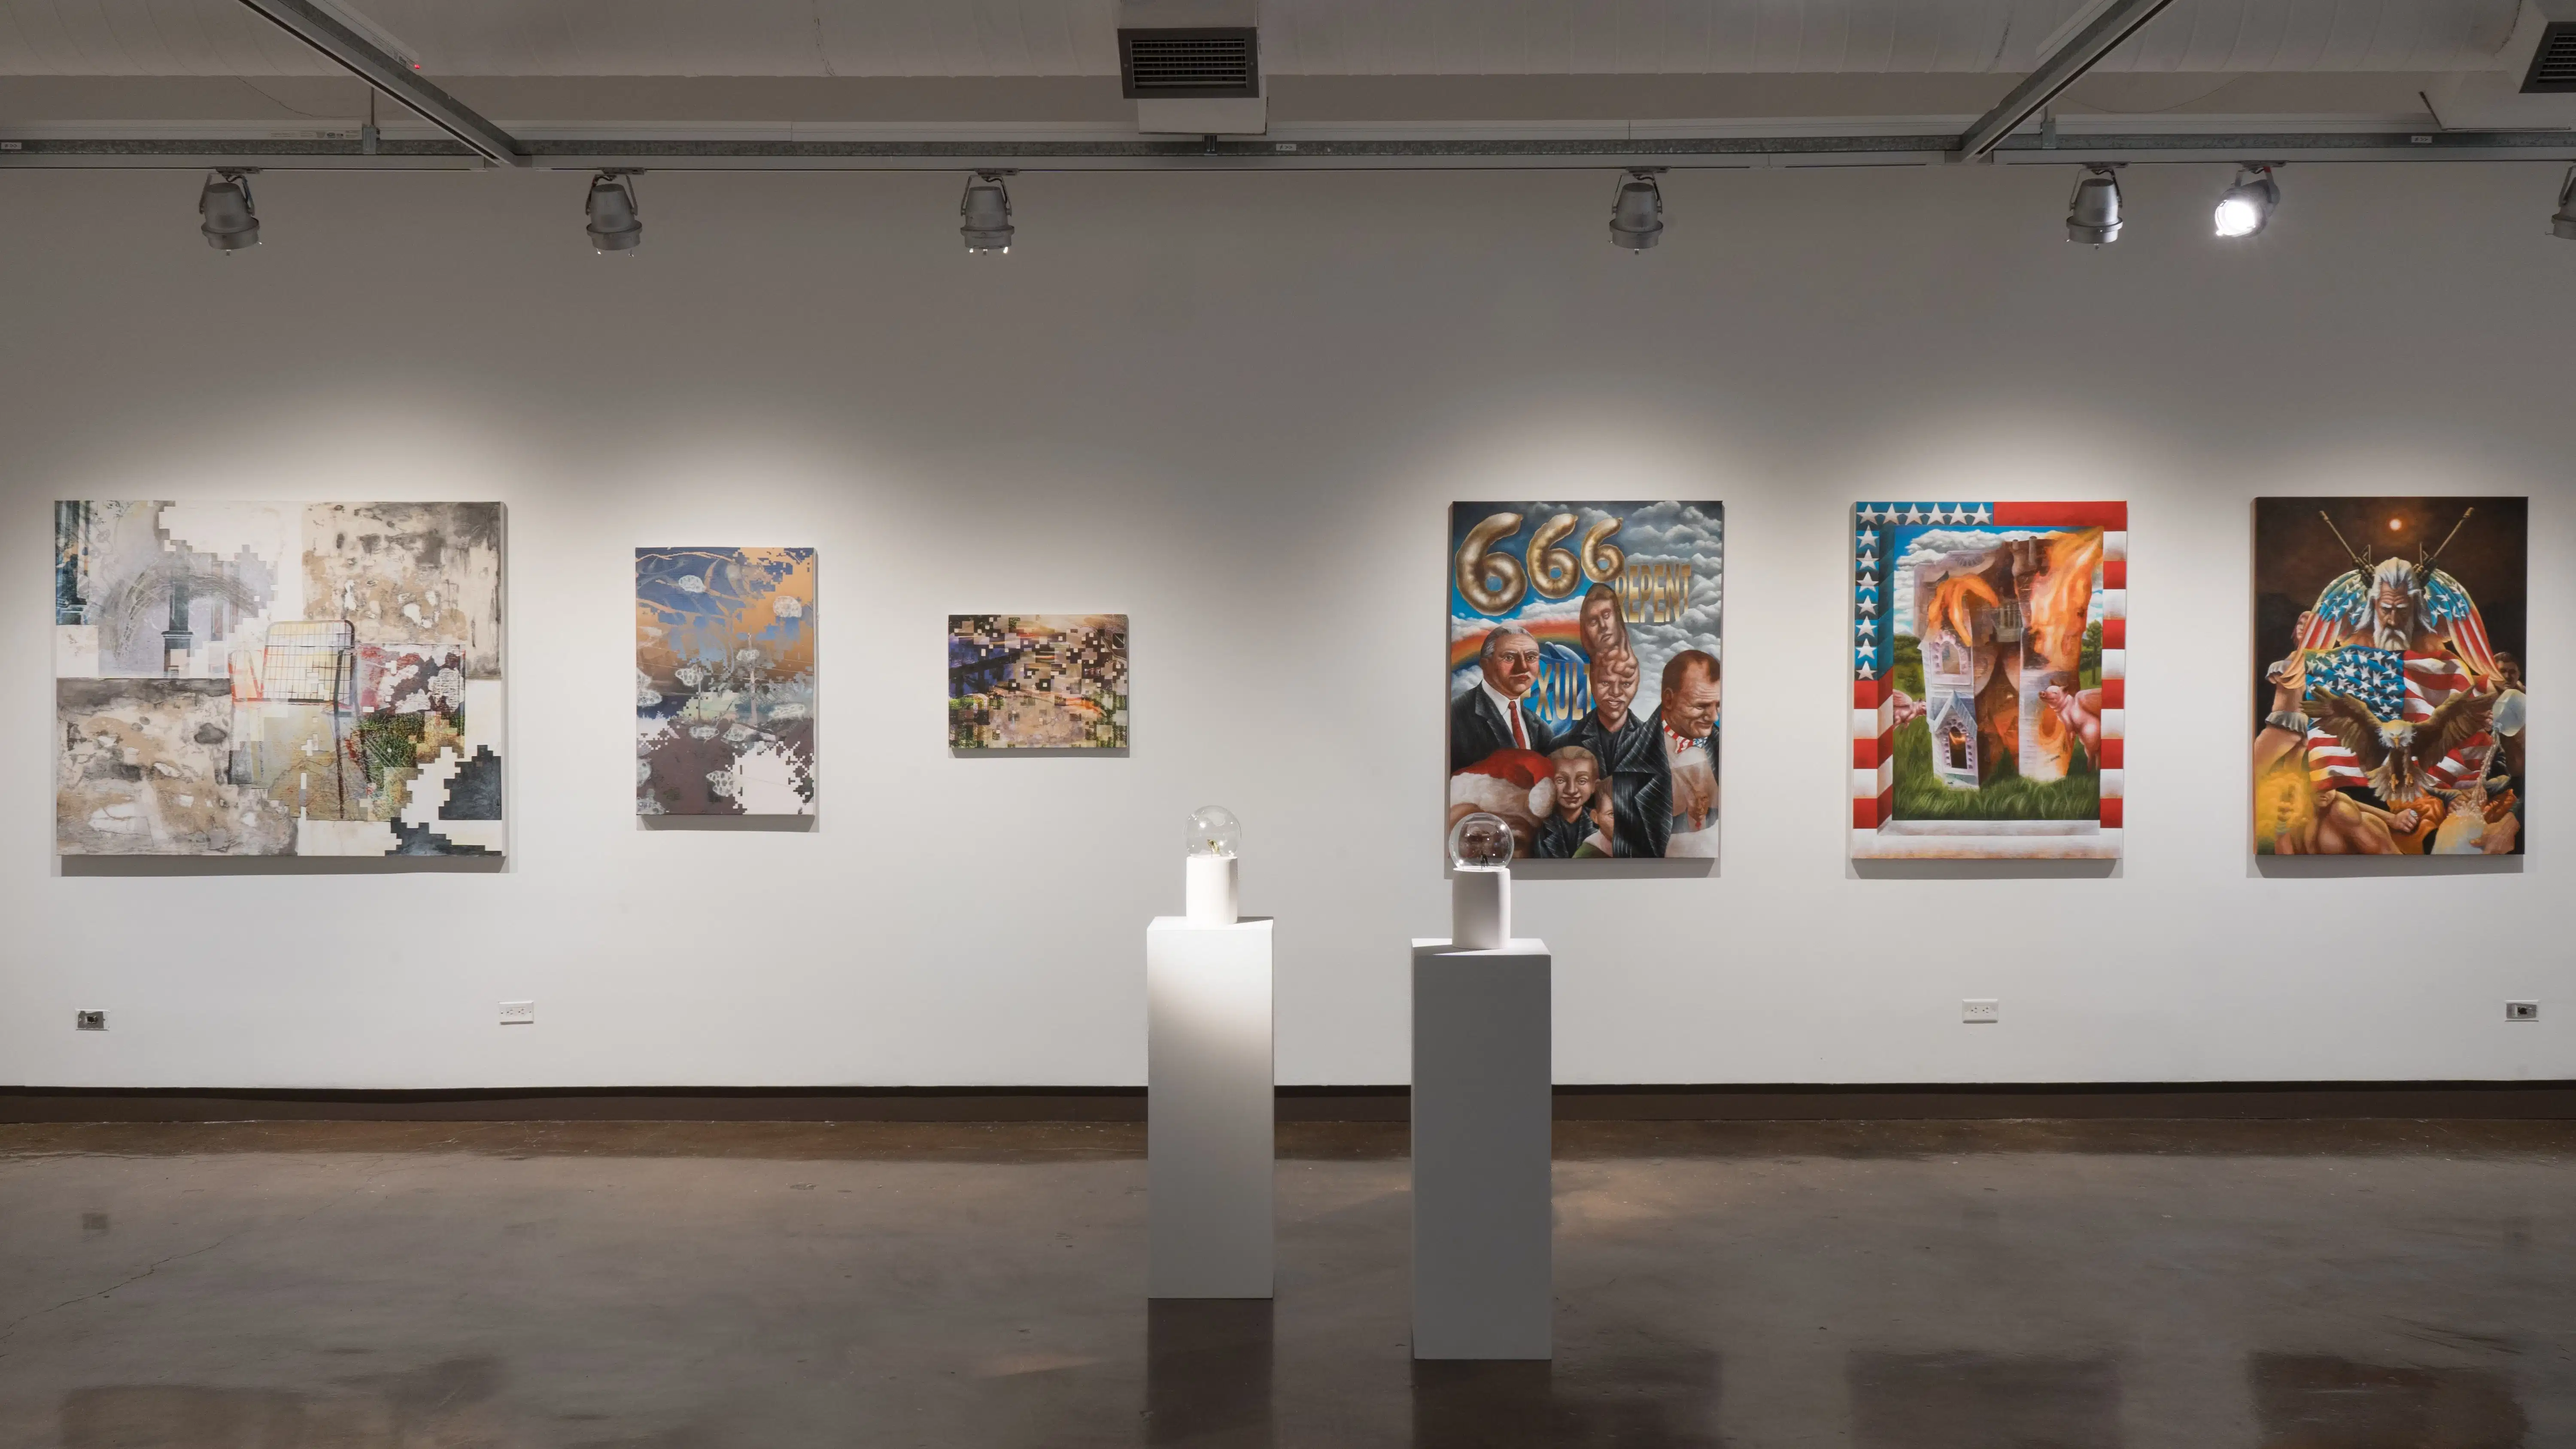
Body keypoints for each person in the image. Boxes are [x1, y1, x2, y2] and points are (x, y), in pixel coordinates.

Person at [1564, 647, 1669, 857]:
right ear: (1592, 682)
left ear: (1637, 685)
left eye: (1626, 684)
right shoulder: (1562, 745)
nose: (1616, 693)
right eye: (1605, 683)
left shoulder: (1658, 749)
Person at [1449, 626, 1553, 770]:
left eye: (1531, 657)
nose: (1522, 667)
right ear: (1486, 665)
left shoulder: (1540, 729)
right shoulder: (1454, 717)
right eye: (1509, 658)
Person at [1648, 650, 1721, 844]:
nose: (1714, 717)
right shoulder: (1632, 752)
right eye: (1701, 706)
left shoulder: (1726, 750)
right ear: (1669, 699)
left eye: (1718, 706)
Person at [1533, 745, 1610, 858]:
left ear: (1595, 786)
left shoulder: (1604, 825)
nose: (1571, 790)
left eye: (1582, 781)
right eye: (1561, 780)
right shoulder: (1537, 827)